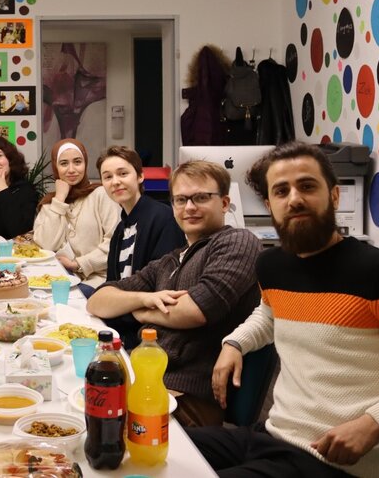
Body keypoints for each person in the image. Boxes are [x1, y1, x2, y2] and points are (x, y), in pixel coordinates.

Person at [188, 142, 379, 478]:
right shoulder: (272, 265)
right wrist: (234, 343)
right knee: (160, 445)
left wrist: (375, 423)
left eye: (307, 186)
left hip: (334, 462)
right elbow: (270, 315)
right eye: (281, 191)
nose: (294, 198)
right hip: (271, 435)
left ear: (335, 196)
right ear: (270, 205)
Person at [87, 160, 261, 427]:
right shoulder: (169, 261)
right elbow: (98, 302)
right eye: (180, 200)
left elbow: (194, 311)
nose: (189, 207)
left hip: (187, 398)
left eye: (200, 198)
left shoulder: (236, 242)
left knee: (99, 431)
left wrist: (135, 309)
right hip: (144, 379)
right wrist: (145, 298)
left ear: (224, 203)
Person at [32, 139, 120, 291]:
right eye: (64, 163)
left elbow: (115, 242)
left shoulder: (101, 195)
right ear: (56, 167)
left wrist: (79, 264)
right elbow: (46, 245)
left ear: (85, 163)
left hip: (97, 280)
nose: (71, 170)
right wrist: (59, 199)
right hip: (58, 277)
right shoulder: (50, 204)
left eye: (77, 162)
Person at [100, 146, 184, 283]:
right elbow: (112, 282)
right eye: (108, 177)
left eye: (123, 174)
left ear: (140, 176)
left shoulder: (164, 218)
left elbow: (164, 281)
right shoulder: (121, 229)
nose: (115, 182)